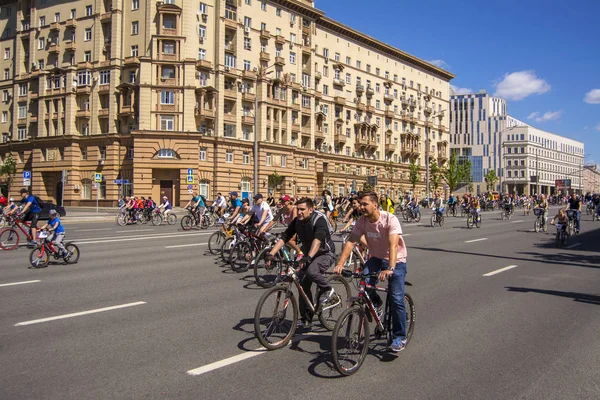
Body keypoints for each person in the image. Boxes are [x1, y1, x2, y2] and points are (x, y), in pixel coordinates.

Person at [334, 192, 408, 352]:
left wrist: (391, 268)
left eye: (364, 204)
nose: (361, 207)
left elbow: (394, 245)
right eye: (360, 204)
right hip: (376, 257)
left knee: (396, 299)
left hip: (396, 260)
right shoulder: (362, 221)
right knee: (364, 285)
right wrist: (340, 264)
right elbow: (351, 241)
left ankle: (400, 337)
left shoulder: (390, 219)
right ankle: (376, 303)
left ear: (375, 205)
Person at [267, 197, 336, 328]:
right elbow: (285, 237)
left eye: (302, 209)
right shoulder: (297, 221)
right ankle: (306, 317)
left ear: (311, 209)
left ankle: (328, 289)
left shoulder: (318, 220)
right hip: (308, 253)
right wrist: (272, 253)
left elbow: (318, 239)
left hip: (325, 253)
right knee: (302, 282)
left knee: (312, 271)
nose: (299, 212)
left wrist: (308, 257)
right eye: (298, 209)